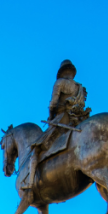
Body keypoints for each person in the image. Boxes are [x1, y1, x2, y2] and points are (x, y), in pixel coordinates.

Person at [22, 59, 91, 192]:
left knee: (36, 149)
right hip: (78, 122)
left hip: (62, 121)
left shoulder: (60, 83)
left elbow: (53, 103)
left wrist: (51, 116)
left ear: (62, 72)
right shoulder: (80, 88)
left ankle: (30, 184)